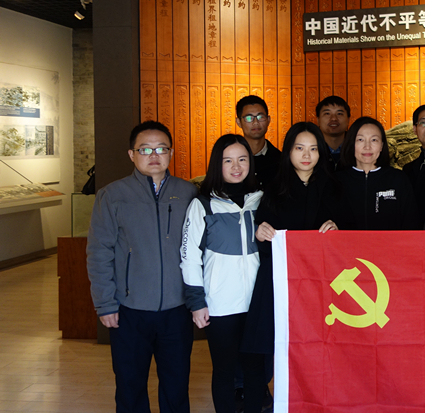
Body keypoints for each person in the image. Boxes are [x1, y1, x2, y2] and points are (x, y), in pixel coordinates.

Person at [87, 120, 197, 413]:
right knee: (130, 385)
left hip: (177, 309)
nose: (154, 155)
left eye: (161, 149)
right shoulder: (112, 195)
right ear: (131, 154)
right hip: (129, 310)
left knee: (176, 386)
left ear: (171, 153)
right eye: (145, 149)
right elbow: (99, 252)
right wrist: (105, 303)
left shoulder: (188, 193)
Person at [241, 122, 340, 375]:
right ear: (288, 151)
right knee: (270, 347)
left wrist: (337, 229)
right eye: (299, 148)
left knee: (317, 349)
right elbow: (261, 237)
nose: (307, 155)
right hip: (280, 281)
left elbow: (346, 239)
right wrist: (260, 232)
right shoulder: (273, 188)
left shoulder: (333, 186)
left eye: (313, 149)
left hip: (320, 284)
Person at [180, 134, 265, 413]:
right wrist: (197, 302)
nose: (236, 167)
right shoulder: (203, 205)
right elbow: (189, 257)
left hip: (257, 303)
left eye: (242, 159)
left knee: (256, 371)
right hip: (220, 305)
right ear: (217, 164)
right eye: (228, 161)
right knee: (225, 371)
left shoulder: (261, 201)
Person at [336, 116, 418, 230]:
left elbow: (411, 222)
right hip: (348, 242)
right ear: (351, 144)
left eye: (374, 140)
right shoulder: (336, 182)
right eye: (360, 140)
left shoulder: (398, 179)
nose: (367, 147)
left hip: (390, 242)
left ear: (382, 146)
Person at [235, 95, 281, 189]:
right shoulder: (229, 159)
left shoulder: (281, 160)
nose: (255, 122)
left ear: (268, 120)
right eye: (249, 118)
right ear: (239, 122)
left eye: (260, 117)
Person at [316, 95, 351, 171]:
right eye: (327, 113)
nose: (334, 118)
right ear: (318, 120)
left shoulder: (358, 147)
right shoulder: (311, 148)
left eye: (339, 114)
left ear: (348, 119)